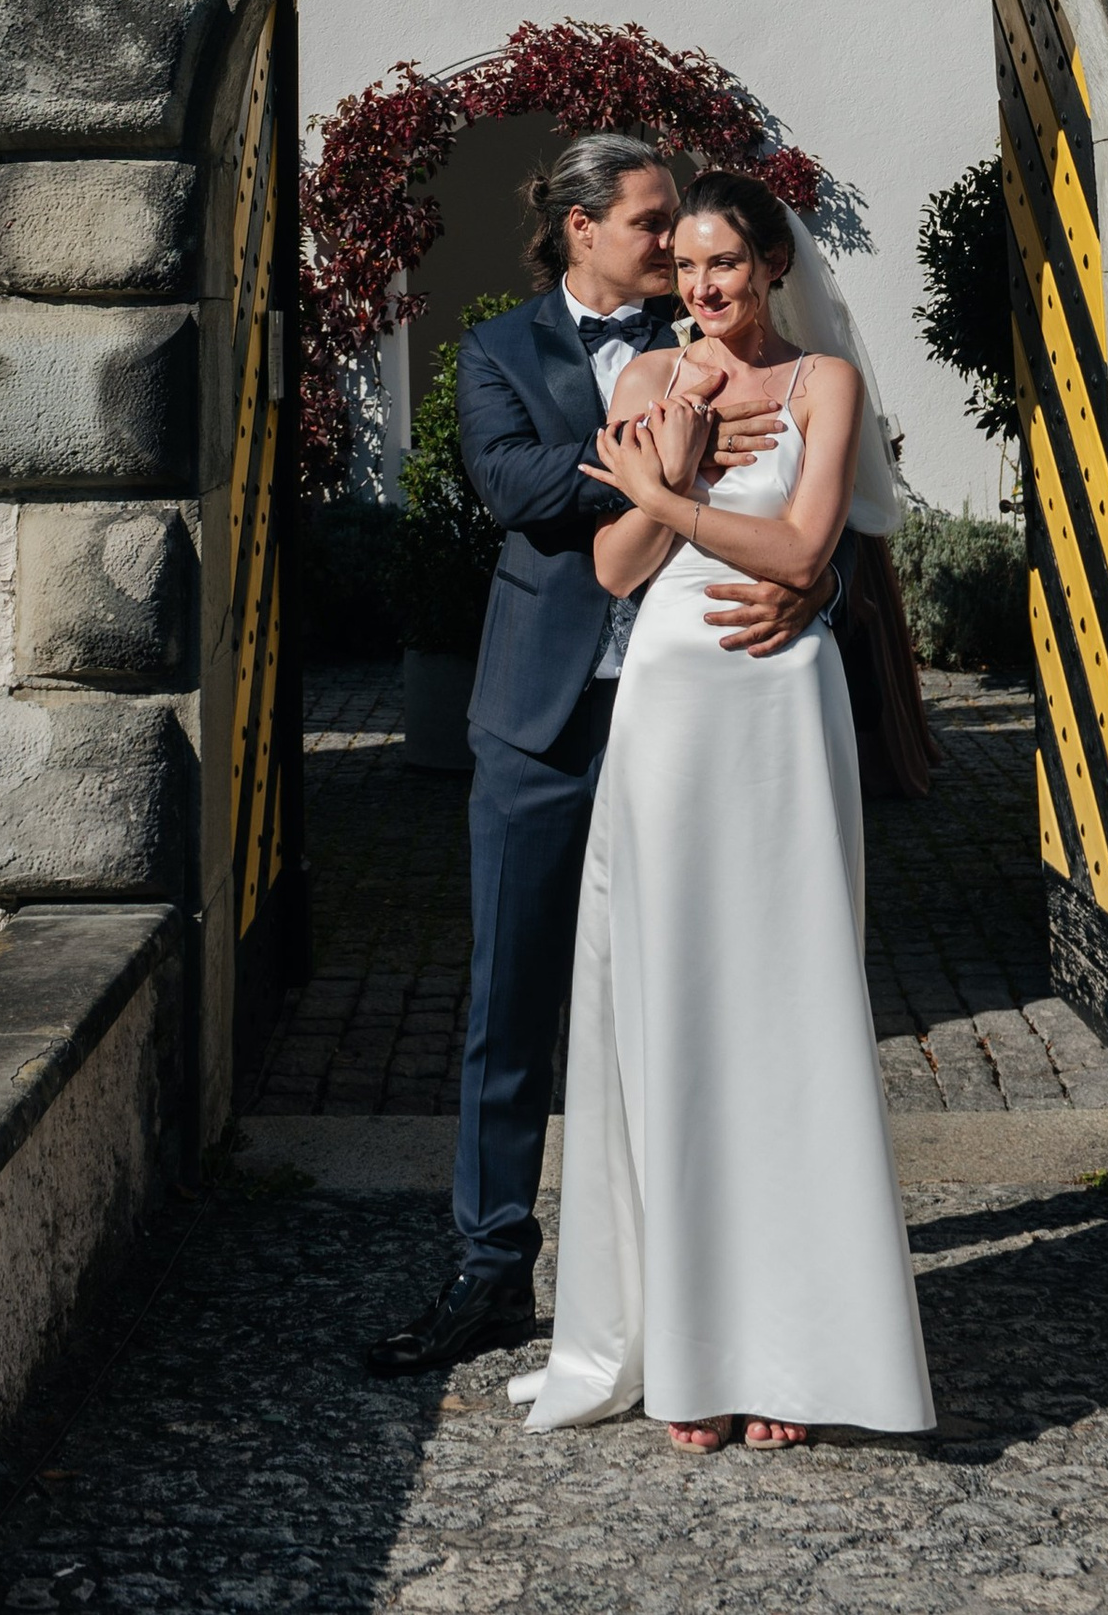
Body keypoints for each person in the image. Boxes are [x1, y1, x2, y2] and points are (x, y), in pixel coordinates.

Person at [364, 135, 833, 1379]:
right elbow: (514, 488)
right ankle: (490, 1266)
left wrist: (815, 579)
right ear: (580, 227)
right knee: (510, 1002)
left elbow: (807, 503)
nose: (676, 244)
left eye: (686, 226)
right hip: (541, 714)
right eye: (650, 222)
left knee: (704, 991)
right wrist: (670, 462)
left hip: (703, 707)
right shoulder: (498, 351)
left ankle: (709, 1277)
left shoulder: (724, 345)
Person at [512, 165, 935, 1448]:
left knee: (787, 1002)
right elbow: (613, 567)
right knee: (677, 1002)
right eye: (686, 264)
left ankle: (794, 1355)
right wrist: (670, 472)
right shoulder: (648, 380)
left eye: (726, 264)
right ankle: (689, 1352)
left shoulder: (823, 385)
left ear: (772, 266)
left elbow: (804, 551)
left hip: (781, 706)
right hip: (672, 704)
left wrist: (664, 493)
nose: (702, 285)